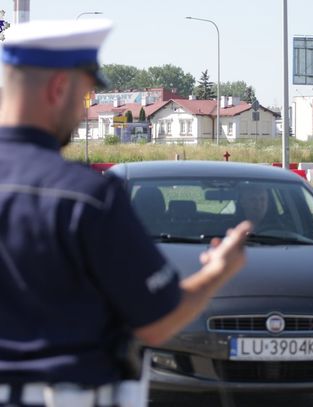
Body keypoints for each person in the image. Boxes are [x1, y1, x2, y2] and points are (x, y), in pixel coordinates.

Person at [0, 19, 251, 407]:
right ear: (59, 88)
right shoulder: (86, 197)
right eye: (85, 95)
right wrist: (220, 269)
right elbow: (157, 323)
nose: (83, 111)